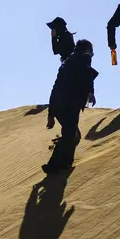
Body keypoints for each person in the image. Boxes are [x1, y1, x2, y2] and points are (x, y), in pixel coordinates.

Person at [43, 39, 98, 174]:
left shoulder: (66, 63)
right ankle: (58, 164)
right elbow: (88, 75)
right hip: (70, 104)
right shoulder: (84, 58)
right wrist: (91, 92)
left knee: (72, 134)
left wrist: (50, 114)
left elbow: (55, 87)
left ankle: (62, 161)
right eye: (91, 52)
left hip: (58, 104)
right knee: (71, 134)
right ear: (86, 50)